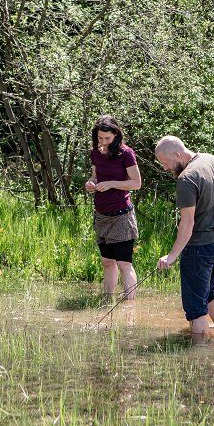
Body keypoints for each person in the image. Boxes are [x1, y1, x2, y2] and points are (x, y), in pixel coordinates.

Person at [154, 136, 214, 335]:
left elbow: (187, 223)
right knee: (210, 291)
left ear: (178, 154)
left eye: (166, 162)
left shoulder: (186, 179)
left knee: (196, 309)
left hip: (200, 248)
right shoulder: (213, 160)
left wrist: (172, 256)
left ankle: (199, 350)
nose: (165, 168)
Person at [85, 115, 142, 301]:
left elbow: (136, 183)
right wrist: (91, 183)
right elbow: (95, 176)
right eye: (100, 138)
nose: (103, 142)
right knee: (107, 261)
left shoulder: (126, 153)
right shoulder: (95, 152)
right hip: (101, 213)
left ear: (116, 135)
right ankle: (107, 300)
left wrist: (111, 184)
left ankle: (129, 306)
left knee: (124, 264)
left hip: (121, 215)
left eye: (107, 138)